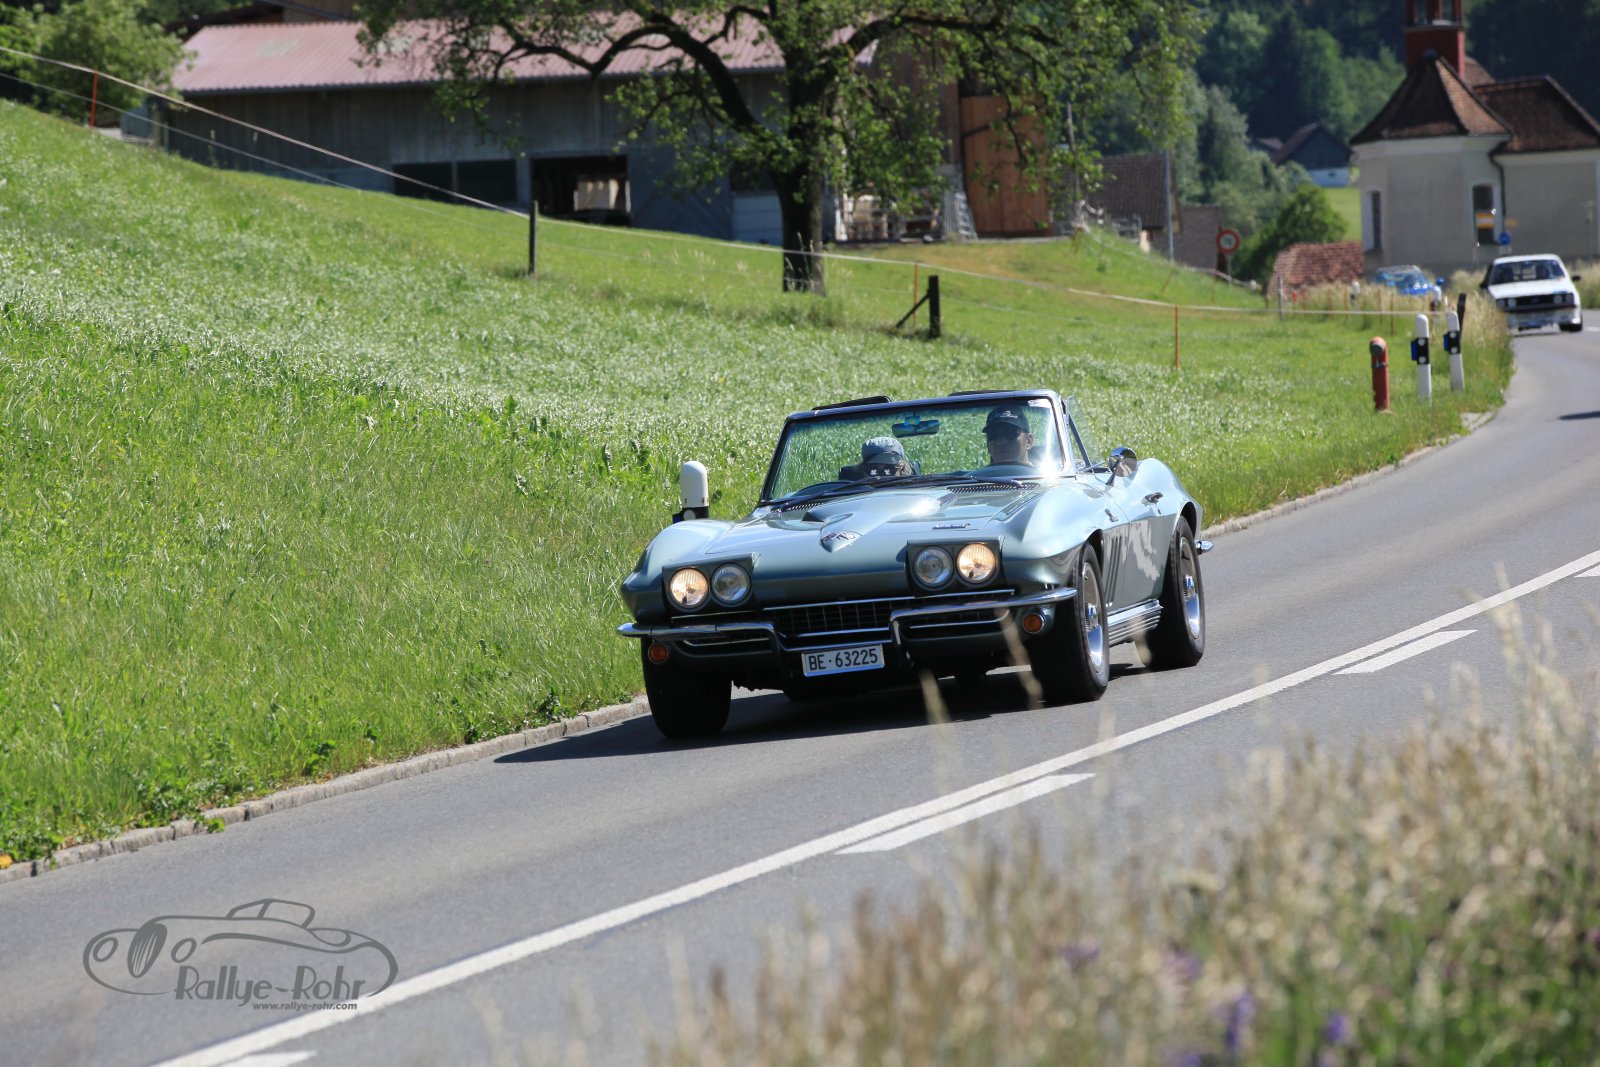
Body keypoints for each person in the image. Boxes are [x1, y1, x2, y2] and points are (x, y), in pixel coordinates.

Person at [839, 436, 914, 480]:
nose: (880, 477)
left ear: (902, 469)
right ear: (863, 470)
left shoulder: (913, 494)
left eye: (888, 470)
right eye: (873, 470)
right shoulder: (851, 495)